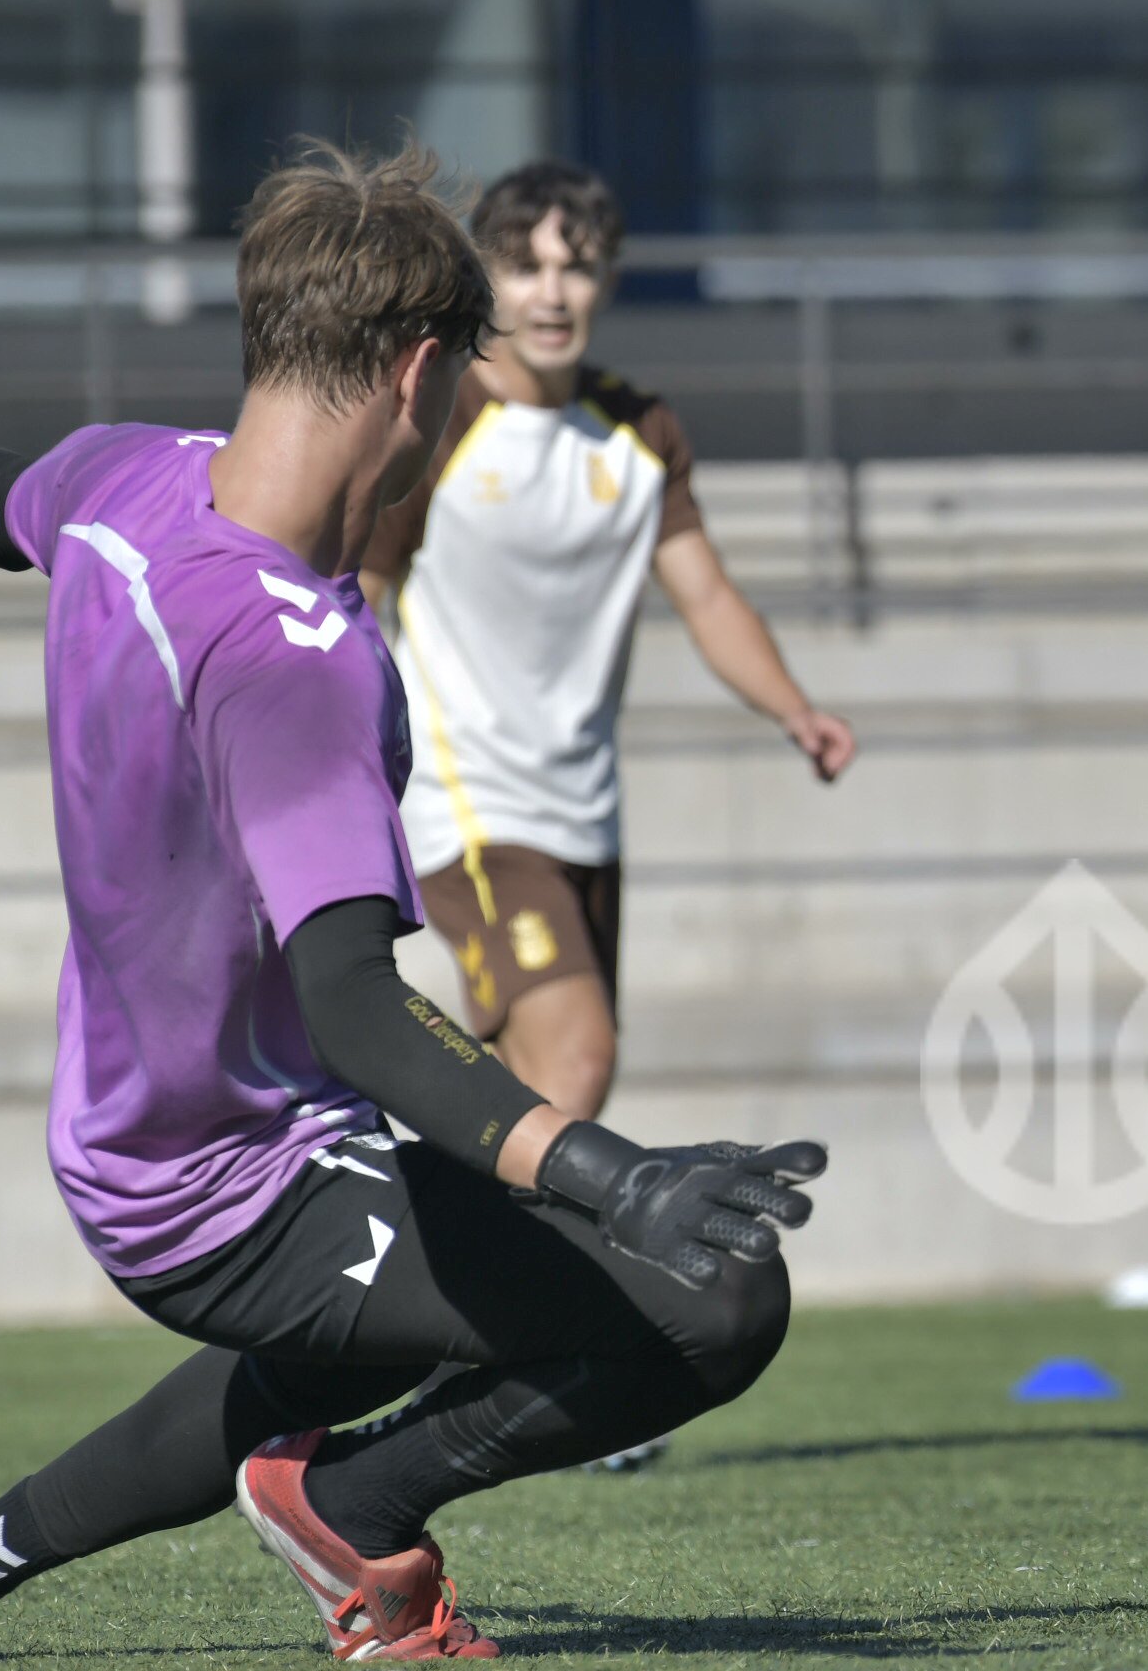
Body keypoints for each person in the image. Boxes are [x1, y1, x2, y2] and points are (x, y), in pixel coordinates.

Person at [0, 144, 825, 1660]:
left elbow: (7, 508)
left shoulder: (115, 478)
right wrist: (612, 1176)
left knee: (336, 1344)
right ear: (421, 371)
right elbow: (358, 1008)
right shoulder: (294, 653)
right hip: (234, 1181)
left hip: (147, 1134)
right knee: (718, 1303)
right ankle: (363, 1516)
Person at [360, 160, 855, 1127]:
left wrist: (795, 710)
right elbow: (359, 596)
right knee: (579, 1056)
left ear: (608, 283)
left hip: (587, 811)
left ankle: (462, 1272)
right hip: (472, 813)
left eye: (577, 269)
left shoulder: (639, 430)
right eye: (526, 267)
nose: (552, 294)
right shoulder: (438, 420)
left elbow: (706, 596)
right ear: (484, 280)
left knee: (535, 1098)